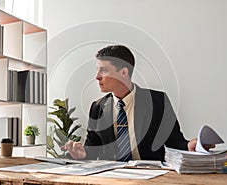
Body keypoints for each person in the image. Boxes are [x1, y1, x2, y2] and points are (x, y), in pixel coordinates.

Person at [64, 45, 211, 161]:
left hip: (149, 177)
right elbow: (92, 148)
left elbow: (175, 142)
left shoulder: (158, 101)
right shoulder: (97, 107)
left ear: (123, 72)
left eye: (103, 70)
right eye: (97, 70)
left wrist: (191, 145)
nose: (97, 77)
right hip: (111, 178)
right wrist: (81, 153)